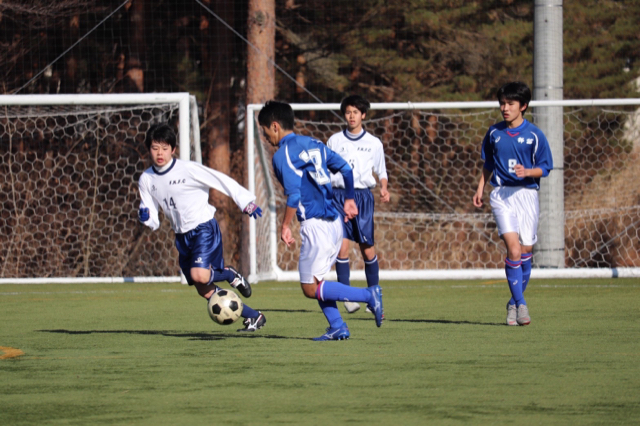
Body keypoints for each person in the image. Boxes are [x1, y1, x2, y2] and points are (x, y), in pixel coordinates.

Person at [257, 100, 383, 341]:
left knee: (310, 287)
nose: (264, 137)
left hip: (317, 225)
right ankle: (337, 325)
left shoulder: (282, 154)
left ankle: (369, 296)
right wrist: (348, 199)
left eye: (264, 130)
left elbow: (294, 195)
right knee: (315, 282)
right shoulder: (313, 142)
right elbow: (346, 169)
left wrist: (285, 226)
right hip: (334, 221)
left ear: (274, 126)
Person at [137, 123, 267, 332]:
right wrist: (145, 215)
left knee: (200, 275)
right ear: (149, 149)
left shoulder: (188, 169)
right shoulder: (146, 179)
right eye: (154, 148)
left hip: (203, 228)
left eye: (164, 148)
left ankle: (230, 275)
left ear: (173, 148)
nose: (159, 153)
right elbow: (152, 218)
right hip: (182, 236)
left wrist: (245, 202)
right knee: (204, 289)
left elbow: (220, 180)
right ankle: (255, 316)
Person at [472, 81, 553, 326]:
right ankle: (521, 305)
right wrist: (480, 188)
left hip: (527, 196)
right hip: (501, 196)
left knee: (526, 252)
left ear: (523, 106)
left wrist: (528, 171)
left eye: (510, 104)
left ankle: (513, 301)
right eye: (502, 103)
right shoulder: (494, 133)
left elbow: (545, 168)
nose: (505, 108)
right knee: (514, 249)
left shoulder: (535, 135)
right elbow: (488, 164)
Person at [326, 95, 390, 314]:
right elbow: (326, 170)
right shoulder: (334, 141)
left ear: (363, 115)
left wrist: (383, 186)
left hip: (362, 197)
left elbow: (382, 171)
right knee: (341, 247)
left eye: (355, 112)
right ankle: (346, 295)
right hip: (338, 196)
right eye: (348, 112)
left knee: (367, 249)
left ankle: (374, 296)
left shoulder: (374, 143)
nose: (351, 116)